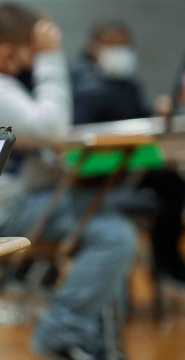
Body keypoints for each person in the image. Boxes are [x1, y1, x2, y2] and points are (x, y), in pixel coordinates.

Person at [0, 3, 137, 359]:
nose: (32, 66)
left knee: (106, 217)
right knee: (115, 234)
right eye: (31, 56)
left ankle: (88, 338)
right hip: (0, 215)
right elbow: (53, 129)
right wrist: (52, 57)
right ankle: (60, 334)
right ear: (8, 53)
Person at [72, 21, 185, 284]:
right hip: (97, 171)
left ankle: (167, 263)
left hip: (129, 165)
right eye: (113, 45)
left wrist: (160, 114)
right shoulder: (84, 84)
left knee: (170, 183)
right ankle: (167, 264)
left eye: (124, 46)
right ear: (94, 47)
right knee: (166, 182)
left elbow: (140, 118)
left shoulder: (126, 84)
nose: (120, 52)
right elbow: (79, 137)